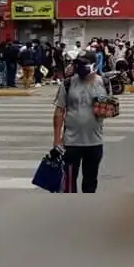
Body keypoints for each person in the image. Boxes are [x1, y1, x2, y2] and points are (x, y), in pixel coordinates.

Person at [51, 54, 110, 193]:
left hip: (94, 142)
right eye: (78, 64)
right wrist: (57, 140)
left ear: (94, 66)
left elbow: (107, 112)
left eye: (84, 64)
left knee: (90, 182)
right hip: (71, 143)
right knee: (68, 184)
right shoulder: (68, 83)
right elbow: (59, 111)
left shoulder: (103, 83)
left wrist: (105, 110)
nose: (80, 67)